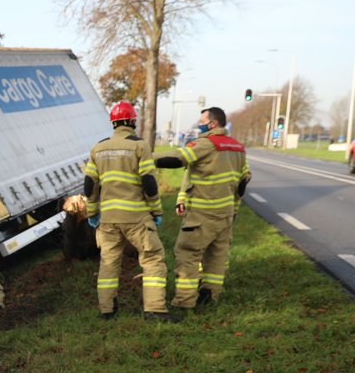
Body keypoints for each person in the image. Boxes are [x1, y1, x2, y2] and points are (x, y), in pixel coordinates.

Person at [84, 101, 173, 322]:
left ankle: (107, 310)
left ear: (113, 123)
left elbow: (90, 185)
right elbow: (149, 182)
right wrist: (156, 211)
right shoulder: (139, 146)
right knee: (152, 259)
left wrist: (92, 213)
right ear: (133, 121)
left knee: (108, 262)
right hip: (136, 217)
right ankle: (154, 310)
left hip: (108, 219)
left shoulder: (98, 148)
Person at [154, 107, 250, 310]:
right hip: (225, 215)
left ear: (213, 123)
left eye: (202, 120)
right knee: (217, 257)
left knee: (187, 253)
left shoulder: (207, 144)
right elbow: (244, 180)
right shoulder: (237, 148)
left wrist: (146, 158)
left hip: (202, 214)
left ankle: (185, 301)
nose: (199, 124)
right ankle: (209, 295)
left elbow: (178, 158)